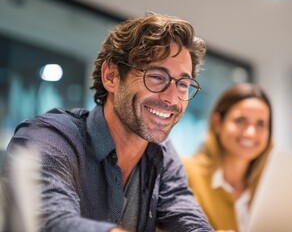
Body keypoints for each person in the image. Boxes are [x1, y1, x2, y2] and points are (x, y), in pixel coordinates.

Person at [5, 12, 213, 232]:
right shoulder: (49, 137)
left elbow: (186, 215)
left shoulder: (161, 153)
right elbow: (48, 219)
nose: (172, 98)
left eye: (183, 84)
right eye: (156, 76)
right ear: (111, 76)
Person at [182, 83, 273, 232]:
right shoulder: (185, 173)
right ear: (218, 123)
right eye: (241, 121)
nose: (250, 133)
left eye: (260, 124)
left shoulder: (269, 185)